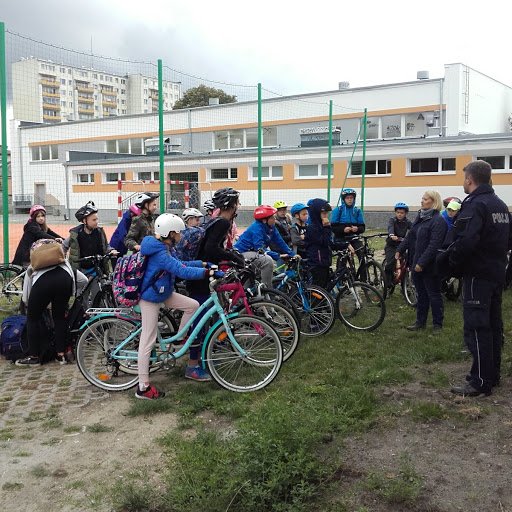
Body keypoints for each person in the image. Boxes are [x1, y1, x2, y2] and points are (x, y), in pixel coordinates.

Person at [136, 213, 219, 398]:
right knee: (147, 340)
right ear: (170, 233)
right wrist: (206, 273)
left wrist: (203, 263)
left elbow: (180, 263)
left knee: (193, 305)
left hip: (162, 292)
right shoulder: (160, 253)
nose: (181, 235)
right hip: (150, 297)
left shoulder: (165, 247)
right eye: (179, 232)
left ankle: (179, 338)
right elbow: (181, 270)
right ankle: (143, 387)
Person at [447, 161, 512, 397]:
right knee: (493, 326)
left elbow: (466, 241)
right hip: (496, 273)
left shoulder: (475, 204)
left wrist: (451, 264)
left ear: (470, 179)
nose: (463, 182)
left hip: (477, 275)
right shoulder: (499, 204)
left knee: (477, 328)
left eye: (464, 178)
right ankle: (491, 375)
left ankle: (480, 381)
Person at [16, 257, 88, 366]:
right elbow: (84, 280)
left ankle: (34, 357)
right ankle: (61, 355)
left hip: (42, 283)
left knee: (32, 318)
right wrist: (74, 294)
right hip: (64, 279)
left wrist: (34, 305)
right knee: (59, 318)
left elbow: (26, 297)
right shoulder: (64, 262)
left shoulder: (35, 263)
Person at [396, 190, 447, 331]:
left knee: (433, 295)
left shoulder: (438, 221)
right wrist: (400, 249)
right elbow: (410, 236)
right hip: (416, 263)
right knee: (421, 294)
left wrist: (421, 263)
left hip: (430, 265)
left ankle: (437, 325)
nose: (422, 201)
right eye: (422, 199)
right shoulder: (420, 217)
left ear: (433, 202)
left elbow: (434, 245)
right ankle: (420, 322)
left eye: (425, 199)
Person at [234, 205, 295, 288]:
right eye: (272, 217)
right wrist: (278, 256)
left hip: (254, 253)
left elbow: (280, 242)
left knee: (252, 279)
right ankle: (267, 291)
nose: (275, 219)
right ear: (264, 220)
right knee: (267, 260)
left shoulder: (271, 227)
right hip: (242, 254)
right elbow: (260, 249)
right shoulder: (257, 228)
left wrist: (292, 254)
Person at [64, 201, 116, 273]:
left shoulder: (99, 232)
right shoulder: (76, 234)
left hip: (98, 268)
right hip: (82, 270)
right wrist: (63, 261)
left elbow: (106, 245)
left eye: (97, 219)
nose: (97, 222)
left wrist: (111, 250)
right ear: (85, 221)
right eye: (94, 220)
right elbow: (64, 246)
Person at [304, 198, 336, 288]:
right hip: (317, 263)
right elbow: (325, 241)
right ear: (317, 214)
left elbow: (330, 242)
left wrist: (345, 245)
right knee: (318, 288)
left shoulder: (321, 226)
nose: (326, 216)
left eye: (327, 213)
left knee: (325, 286)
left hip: (324, 261)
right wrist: (327, 227)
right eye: (324, 214)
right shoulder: (312, 228)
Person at [331, 188, 365, 261]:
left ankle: (363, 268)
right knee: (343, 257)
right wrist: (343, 230)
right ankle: (341, 268)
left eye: (351, 198)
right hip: (341, 238)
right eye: (347, 198)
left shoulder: (357, 211)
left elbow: (362, 227)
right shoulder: (338, 210)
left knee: (362, 255)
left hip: (354, 237)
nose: (350, 200)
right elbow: (333, 228)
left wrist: (357, 229)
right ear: (343, 199)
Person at [383, 202, 412, 289]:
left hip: (401, 245)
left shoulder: (407, 222)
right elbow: (390, 227)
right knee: (391, 262)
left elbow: (414, 229)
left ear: (406, 213)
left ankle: (404, 284)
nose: (399, 214)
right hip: (391, 245)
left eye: (402, 213)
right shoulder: (393, 220)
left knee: (406, 262)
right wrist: (392, 235)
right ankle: (387, 282)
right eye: (398, 212)